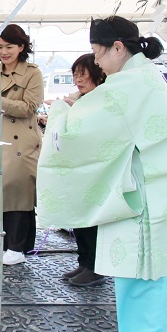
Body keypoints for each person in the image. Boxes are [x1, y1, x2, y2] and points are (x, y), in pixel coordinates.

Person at [38, 16, 167, 332]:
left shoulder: (127, 86)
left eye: (98, 53)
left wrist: (62, 109)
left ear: (118, 48)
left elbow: (81, 131)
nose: (95, 61)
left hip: (164, 190)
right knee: (159, 264)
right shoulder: (142, 79)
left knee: (149, 265)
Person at [0, 24, 43, 265]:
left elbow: (30, 108)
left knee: (17, 194)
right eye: (0, 47)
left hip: (20, 142)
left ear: (21, 47)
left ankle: (17, 247)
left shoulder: (33, 73)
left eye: (9, 47)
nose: (4, 52)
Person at [57, 53, 106, 287]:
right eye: (75, 73)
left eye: (83, 73)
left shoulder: (103, 98)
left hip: (96, 167)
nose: (78, 78)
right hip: (76, 165)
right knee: (79, 215)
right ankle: (84, 261)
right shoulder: (78, 98)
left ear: (97, 73)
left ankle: (96, 267)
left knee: (92, 218)